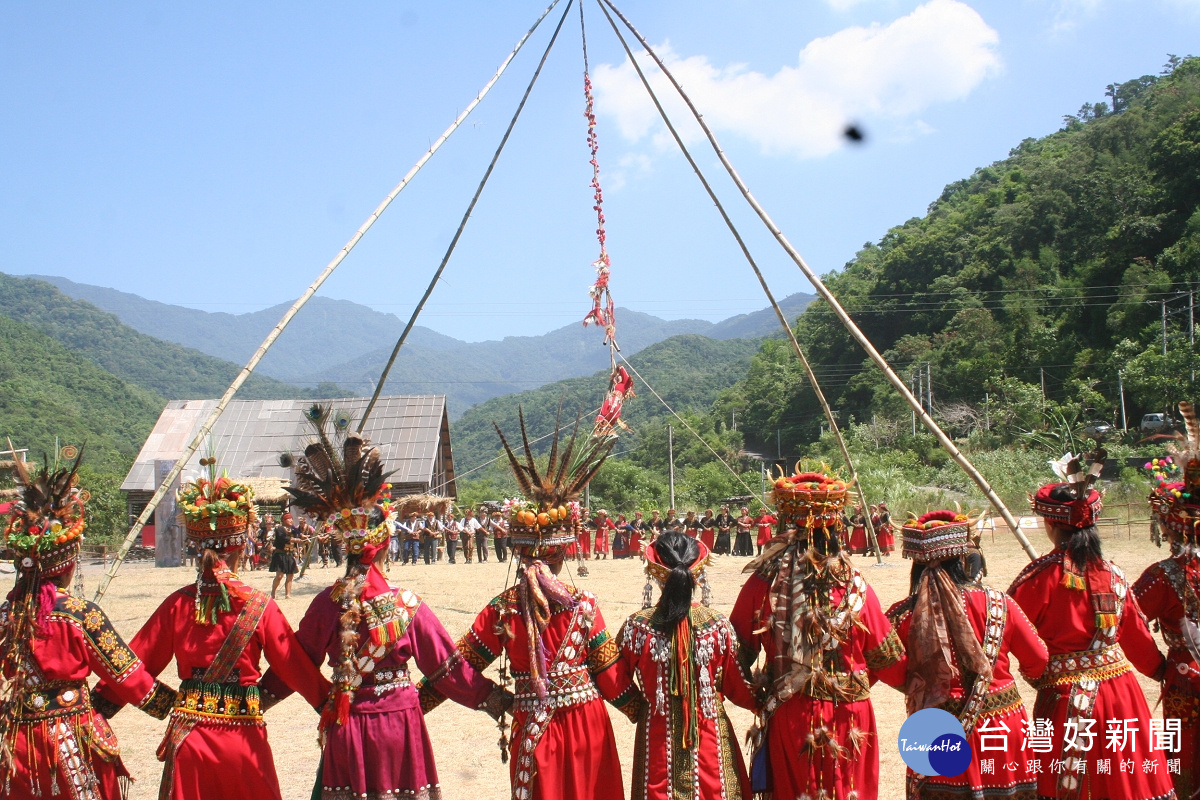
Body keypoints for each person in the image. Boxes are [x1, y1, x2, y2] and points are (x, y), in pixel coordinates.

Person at [260, 419, 510, 800]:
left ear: (345, 545)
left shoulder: (327, 605)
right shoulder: (407, 606)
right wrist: (493, 699)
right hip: (400, 725)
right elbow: (446, 668)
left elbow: (295, 661)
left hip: (347, 723)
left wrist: (258, 700)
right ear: (384, 543)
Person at [95, 460, 331, 800]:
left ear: (196, 544)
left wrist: (108, 709)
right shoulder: (259, 606)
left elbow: (133, 664)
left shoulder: (178, 605)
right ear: (242, 546)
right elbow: (293, 665)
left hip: (191, 740)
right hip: (243, 742)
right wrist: (329, 706)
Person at [440, 412, 641, 800]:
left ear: (518, 553)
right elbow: (612, 680)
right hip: (588, 726)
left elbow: (454, 670)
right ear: (562, 554)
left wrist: (495, 699)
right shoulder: (583, 606)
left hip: (534, 724)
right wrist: (646, 713)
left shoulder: (503, 608)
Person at [1, 451, 178, 800]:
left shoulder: (8, 613)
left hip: (18, 741)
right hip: (71, 736)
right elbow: (125, 674)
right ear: (70, 564)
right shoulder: (81, 614)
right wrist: (170, 704)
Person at [730, 467, 906, 800]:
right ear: (836, 525)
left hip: (789, 714)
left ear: (785, 522)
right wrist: (854, 677)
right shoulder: (856, 587)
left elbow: (732, 657)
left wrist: (759, 700)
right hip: (850, 716)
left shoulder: (762, 585)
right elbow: (891, 664)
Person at [1009, 455, 1174, 800]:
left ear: (1052, 526)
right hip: (1122, 695)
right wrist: (1164, 673)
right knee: (1122, 776)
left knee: (1072, 783)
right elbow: (1139, 644)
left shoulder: (1038, 578)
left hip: (1066, 698)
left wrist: (1038, 671)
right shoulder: (1115, 576)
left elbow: (1010, 630)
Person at [886, 510, 1049, 799]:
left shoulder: (903, 615)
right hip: (1000, 727)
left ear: (914, 563)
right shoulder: (1000, 603)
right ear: (962, 557)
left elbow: (887, 667)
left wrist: (922, 684)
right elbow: (1038, 658)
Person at [620, 531, 758, 799]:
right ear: (698, 573)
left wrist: (641, 707)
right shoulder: (717, 625)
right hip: (708, 738)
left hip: (655, 738)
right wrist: (763, 701)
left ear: (655, 574)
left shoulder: (637, 627)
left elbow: (614, 679)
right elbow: (738, 686)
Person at [1134, 409, 1200, 800]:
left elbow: (1127, 621)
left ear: (1170, 526)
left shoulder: (1163, 574)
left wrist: (1158, 667)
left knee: (1184, 764)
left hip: (1186, 678)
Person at [269, 511, 301, 599]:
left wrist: (295, 550)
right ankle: (273, 593)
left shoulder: (293, 530)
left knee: (290, 575)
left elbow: (296, 541)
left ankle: (288, 594)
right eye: (288, 519)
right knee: (279, 575)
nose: (291, 520)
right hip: (280, 554)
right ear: (283, 520)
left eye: (291, 518)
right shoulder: (280, 529)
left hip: (289, 554)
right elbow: (283, 538)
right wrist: (294, 539)